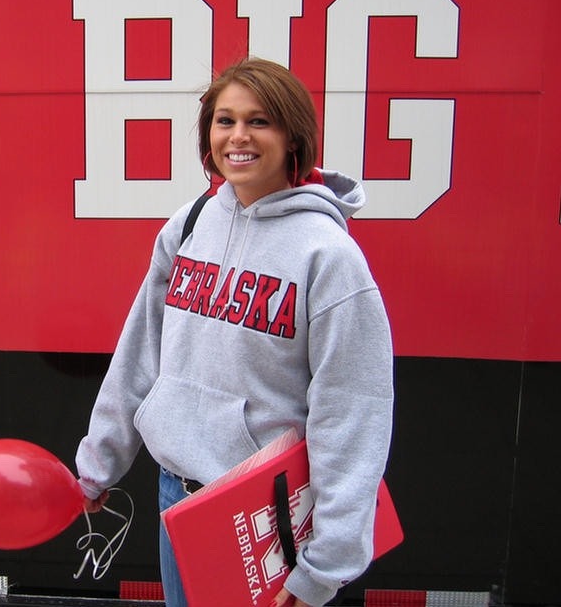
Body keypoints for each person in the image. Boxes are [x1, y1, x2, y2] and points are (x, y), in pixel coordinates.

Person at [75, 57, 394, 607]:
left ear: (294, 136)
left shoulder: (329, 257)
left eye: (260, 121)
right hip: (177, 498)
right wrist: (97, 465)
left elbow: (353, 411)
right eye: (225, 121)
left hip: (266, 516)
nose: (238, 137)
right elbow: (140, 353)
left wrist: (326, 564)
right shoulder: (191, 223)